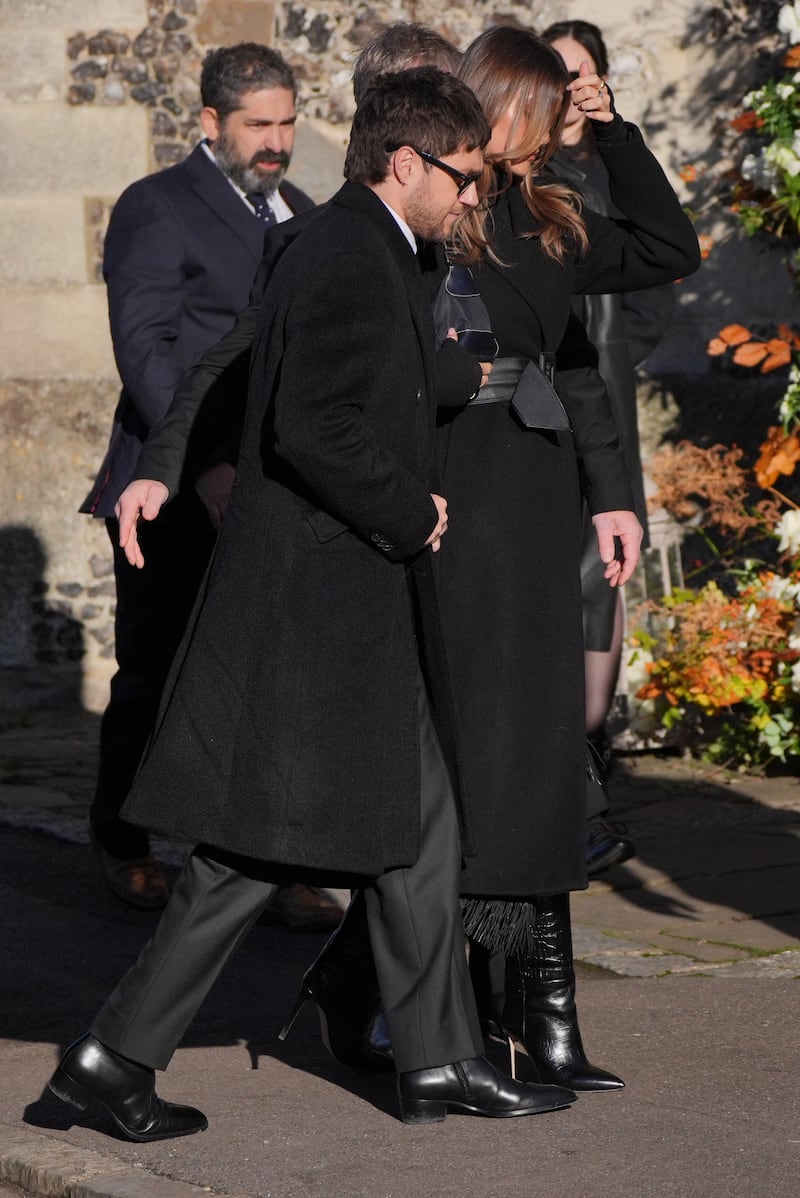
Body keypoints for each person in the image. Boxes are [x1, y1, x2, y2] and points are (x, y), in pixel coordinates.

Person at [47, 68, 576, 1140]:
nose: (475, 197)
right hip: (318, 598)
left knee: (421, 826)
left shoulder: (378, 246)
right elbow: (309, 421)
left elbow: (307, 380)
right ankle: (110, 1060)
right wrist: (408, 508)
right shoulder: (344, 252)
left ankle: (436, 1061)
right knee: (251, 854)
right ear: (405, 163)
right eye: (464, 178)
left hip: (352, 594)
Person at [421, 24, 700, 1089]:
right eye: (541, 113)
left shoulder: (551, 215)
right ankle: (438, 1004)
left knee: (546, 758)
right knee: (478, 758)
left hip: (533, 497)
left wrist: (614, 129)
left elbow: (668, 253)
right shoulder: (438, 215)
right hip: (457, 494)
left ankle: (547, 1018)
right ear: (496, 110)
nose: (550, 137)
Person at [80, 43, 339, 930]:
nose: (275, 142)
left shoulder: (303, 211)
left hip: (275, 484)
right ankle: (124, 840)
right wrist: (202, 466)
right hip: (170, 483)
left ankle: (262, 861)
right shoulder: (157, 208)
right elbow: (145, 349)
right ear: (209, 124)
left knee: (272, 678)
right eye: (257, 125)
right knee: (157, 671)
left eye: (286, 123)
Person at [543, 19, 678, 876]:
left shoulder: (609, 168)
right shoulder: (523, 174)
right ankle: (566, 795)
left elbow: (661, 273)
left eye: (579, 72)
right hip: (545, 396)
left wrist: (611, 345)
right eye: (552, 74)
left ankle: (586, 780)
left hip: (600, 392)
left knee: (603, 580)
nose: (567, 88)